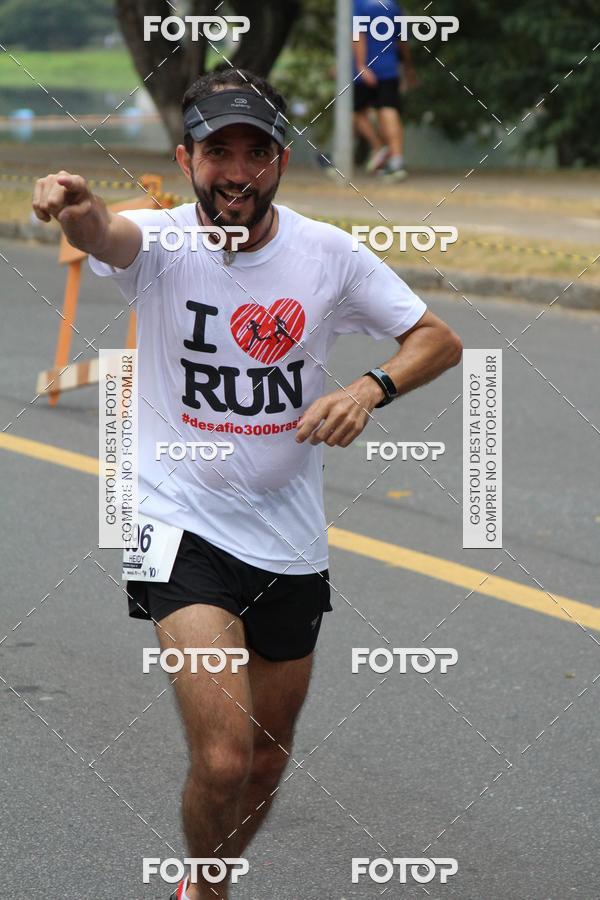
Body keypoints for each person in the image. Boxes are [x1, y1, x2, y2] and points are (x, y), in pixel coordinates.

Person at [32, 67, 462, 899]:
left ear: (281, 161)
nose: (236, 172)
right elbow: (102, 233)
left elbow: (436, 339)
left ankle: (214, 873)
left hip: (290, 538)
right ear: (186, 157)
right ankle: (204, 886)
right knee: (224, 755)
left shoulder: (326, 254)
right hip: (176, 519)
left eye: (254, 152)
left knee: (264, 760)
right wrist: (74, 202)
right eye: (217, 151)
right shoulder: (159, 243)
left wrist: (370, 387)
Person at [353, 0, 417, 179]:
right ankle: (396, 160)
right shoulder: (393, 6)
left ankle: (379, 146)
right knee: (388, 109)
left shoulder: (357, 4)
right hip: (389, 68)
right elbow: (402, 41)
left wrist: (360, 65)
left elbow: (358, 33)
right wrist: (408, 68)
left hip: (365, 68)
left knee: (354, 114)